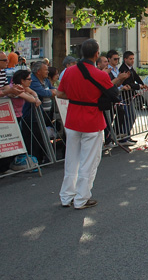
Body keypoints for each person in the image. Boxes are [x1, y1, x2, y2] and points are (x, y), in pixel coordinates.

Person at [56, 38, 117, 210]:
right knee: (88, 162)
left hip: (73, 117)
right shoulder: (100, 74)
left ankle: (66, 196)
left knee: (71, 160)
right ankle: (81, 198)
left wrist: (77, 97)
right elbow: (114, 93)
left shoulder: (69, 72)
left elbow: (60, 94)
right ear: (97, 54)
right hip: (92, 120)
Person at [118, 51, 148, 143]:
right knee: (129, 116)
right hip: (125, 96)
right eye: (130, 59)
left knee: (132, 116)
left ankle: (127, 135)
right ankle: (124, 137)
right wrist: (139, 86)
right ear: (125, 59)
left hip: (130, 96)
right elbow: (127, 83)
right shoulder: (123, 69)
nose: (132, 61)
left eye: (133, 59)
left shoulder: (130, 68)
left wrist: (142, 84)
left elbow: (136, 77)